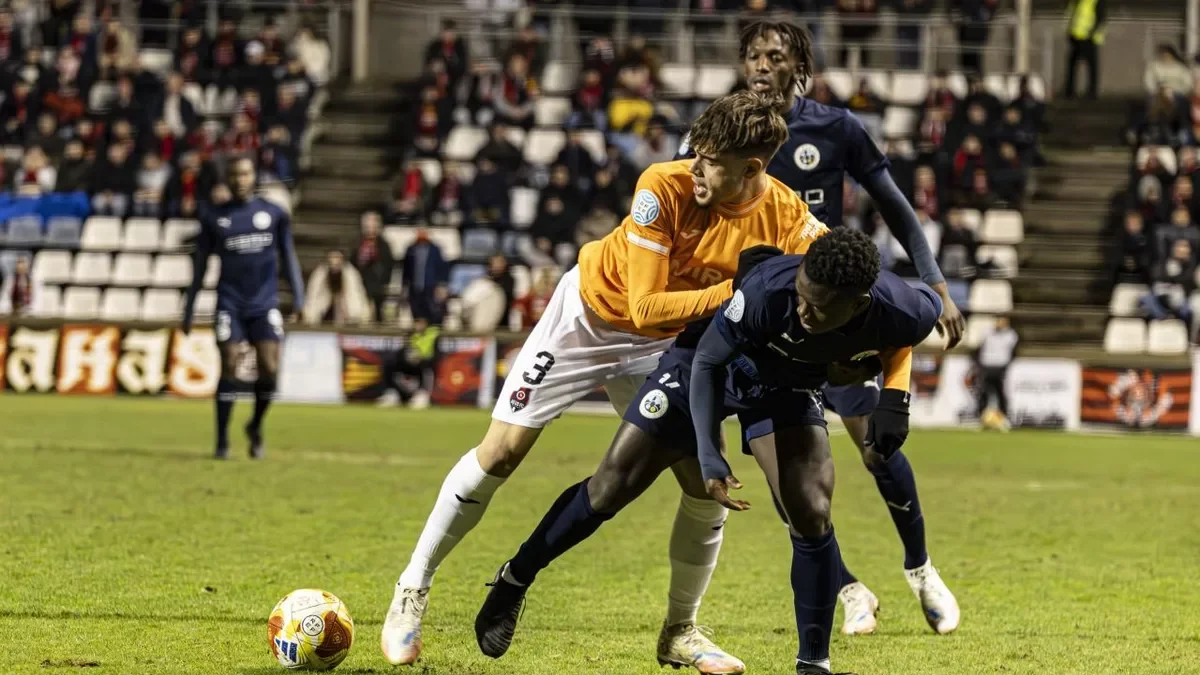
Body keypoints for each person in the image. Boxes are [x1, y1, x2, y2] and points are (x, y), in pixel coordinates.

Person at [382, 91, 832, 672]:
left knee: (704, 485)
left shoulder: (786, 214)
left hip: (665, 347)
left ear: (753, 169)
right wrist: (740, 294)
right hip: (588, 320)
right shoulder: (662, 187)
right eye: (695, 152)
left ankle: (680, 631)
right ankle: (411, 590)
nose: (693, 166)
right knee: (502, 452)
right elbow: (644, 307)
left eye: (710, 161)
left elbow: (830, 269)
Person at [474, 229, 942, 675]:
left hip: (788, 388)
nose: (803, 311)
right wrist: (708, 454)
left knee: (812, 511)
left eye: (818, 308)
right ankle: (514, 579)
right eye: (802, 295)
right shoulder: (768, 290)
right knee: (611, 487)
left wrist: (894, 396)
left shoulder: (905, 306)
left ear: (858, 303)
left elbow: (901, 331)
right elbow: (709, 362)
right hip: (710, 364)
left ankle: (814, 663)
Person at [676, 19, 961, 635]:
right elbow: (687, 201)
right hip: (769, 314)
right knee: (786, 480)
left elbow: (894, 204)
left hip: (833, 313)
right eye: (752, 55)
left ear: (798, 65)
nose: (760, 66)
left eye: (775, 56)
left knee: (876, 446)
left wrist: (935, 281)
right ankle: (850, 588)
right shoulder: (722, 131)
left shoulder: (835, 128)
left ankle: (921, 568)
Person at [181, 156, 304, 460]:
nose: (241, 180)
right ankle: (222, 440)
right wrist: (189, 308)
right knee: (231, 365)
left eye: (246, 174)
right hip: (230, 304)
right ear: (229, 179)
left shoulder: (273, 214)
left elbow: (288, 255)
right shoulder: (214, 217)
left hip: (264, 304)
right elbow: (200, 267)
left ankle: (255, 425)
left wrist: (299, 298)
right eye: (235, 175)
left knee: (270, 369)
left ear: (254, 177)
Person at [973, 316, 1018, 429]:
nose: (1000, 323)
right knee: (983, 393)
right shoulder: (987, 332)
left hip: (1000, 367)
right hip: (986, 366)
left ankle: (1004, 419)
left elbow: (1014, 352)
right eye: (998, 321)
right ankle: (981, 419)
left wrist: (1006, 365)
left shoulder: (1011, 335)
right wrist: (979, 364)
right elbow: (979, 348)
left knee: (1001, 393)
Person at [1064, 0, 1106, 100]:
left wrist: (1091, 34)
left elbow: (1100, 18)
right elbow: (1072, 16)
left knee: (1090, 67)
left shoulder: (1095, 1)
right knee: (1073, 64)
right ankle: (1070, 90)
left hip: (1089, 39)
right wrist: (1070, 32)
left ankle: (1091, 91)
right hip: (1077, 37)